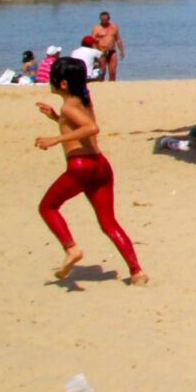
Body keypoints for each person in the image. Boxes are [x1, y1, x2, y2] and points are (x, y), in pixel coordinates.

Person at [33, 57, 146, 285]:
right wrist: (56, 118)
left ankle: (71, 248)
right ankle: (137, 272)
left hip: (81, 168)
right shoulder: (82, 100)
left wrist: (55, 139)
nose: (49, 80)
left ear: (63, 84)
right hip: (100, 166)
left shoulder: (69, 106)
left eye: (52, 77)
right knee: (108, 223)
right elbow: (78, 123)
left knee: (47, 207)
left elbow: (91, 128)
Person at [90, 11, 123, 81]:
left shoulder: (114, 27)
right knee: (102, 71)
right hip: (101, 52)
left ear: (109, 18)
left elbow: (118, 39)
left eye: (105, 19)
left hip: (112, 51)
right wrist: (94, 53)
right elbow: (92, 41)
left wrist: (121, 50)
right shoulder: (96, 28)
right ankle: (102, 85)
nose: (104, 21)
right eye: (102, 20)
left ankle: (111, 85)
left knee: (113, 71)